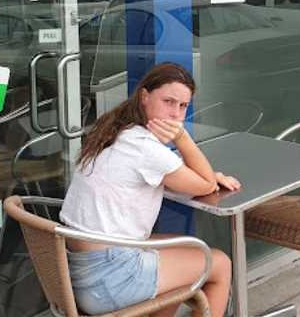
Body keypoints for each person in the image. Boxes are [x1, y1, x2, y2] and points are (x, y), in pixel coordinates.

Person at [60, 62, 240, 317]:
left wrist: (201, 176)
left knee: (191, 252)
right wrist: (182, 138)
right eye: (168, 101)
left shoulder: (116, 131)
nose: (176, 114)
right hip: (109, 279)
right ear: (145, 97)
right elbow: (207, 185)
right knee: (219, 263)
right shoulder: (145, 148)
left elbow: (183, 179)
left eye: (183, 106)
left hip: (79, 272)